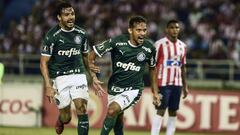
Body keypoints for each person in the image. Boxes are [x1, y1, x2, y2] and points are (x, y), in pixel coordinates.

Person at [90, 16, 161, 135]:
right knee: (117, 119)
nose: (142, 33)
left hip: (133, 89)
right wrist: (93, 76)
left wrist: (155, 92)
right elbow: (92, 55)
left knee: (112, 110)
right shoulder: (117, 41)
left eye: (144, 30)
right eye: (138, 30)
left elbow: (153, 69)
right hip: (114, 88)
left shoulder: (149, 49)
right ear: (130, 30)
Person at [40, 2, 103, 135]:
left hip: (78, 74)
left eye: (72, 14)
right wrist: (48, 86)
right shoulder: (52, 36)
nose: (71, 17)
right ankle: (61, 120)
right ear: (59, 17)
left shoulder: (81, 34)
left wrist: (93, 77)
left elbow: (86, 57)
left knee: (81, 108)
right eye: (66, 14)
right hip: (59, 77)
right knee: (67, 117)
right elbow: (43, 62)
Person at [151, 19, 189, 135]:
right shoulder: (159, 44)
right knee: (161, 110)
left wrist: (185, 86)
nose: (174, 30)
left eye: (176, 27)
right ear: (167, 30)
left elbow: (183, 67)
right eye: (172, 27)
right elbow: (153, 66)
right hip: (163, 83)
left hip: (177, 84)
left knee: (173, 111)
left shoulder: (183, 46)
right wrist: (154, 88)